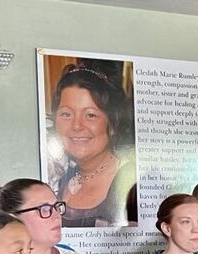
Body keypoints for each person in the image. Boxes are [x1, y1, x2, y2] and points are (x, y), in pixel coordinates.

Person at [49, 63, 136, 227]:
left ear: (112, 123)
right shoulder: (58, 179)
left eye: (90, 115)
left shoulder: (133, 183)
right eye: (66, 114)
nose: (76, 126)